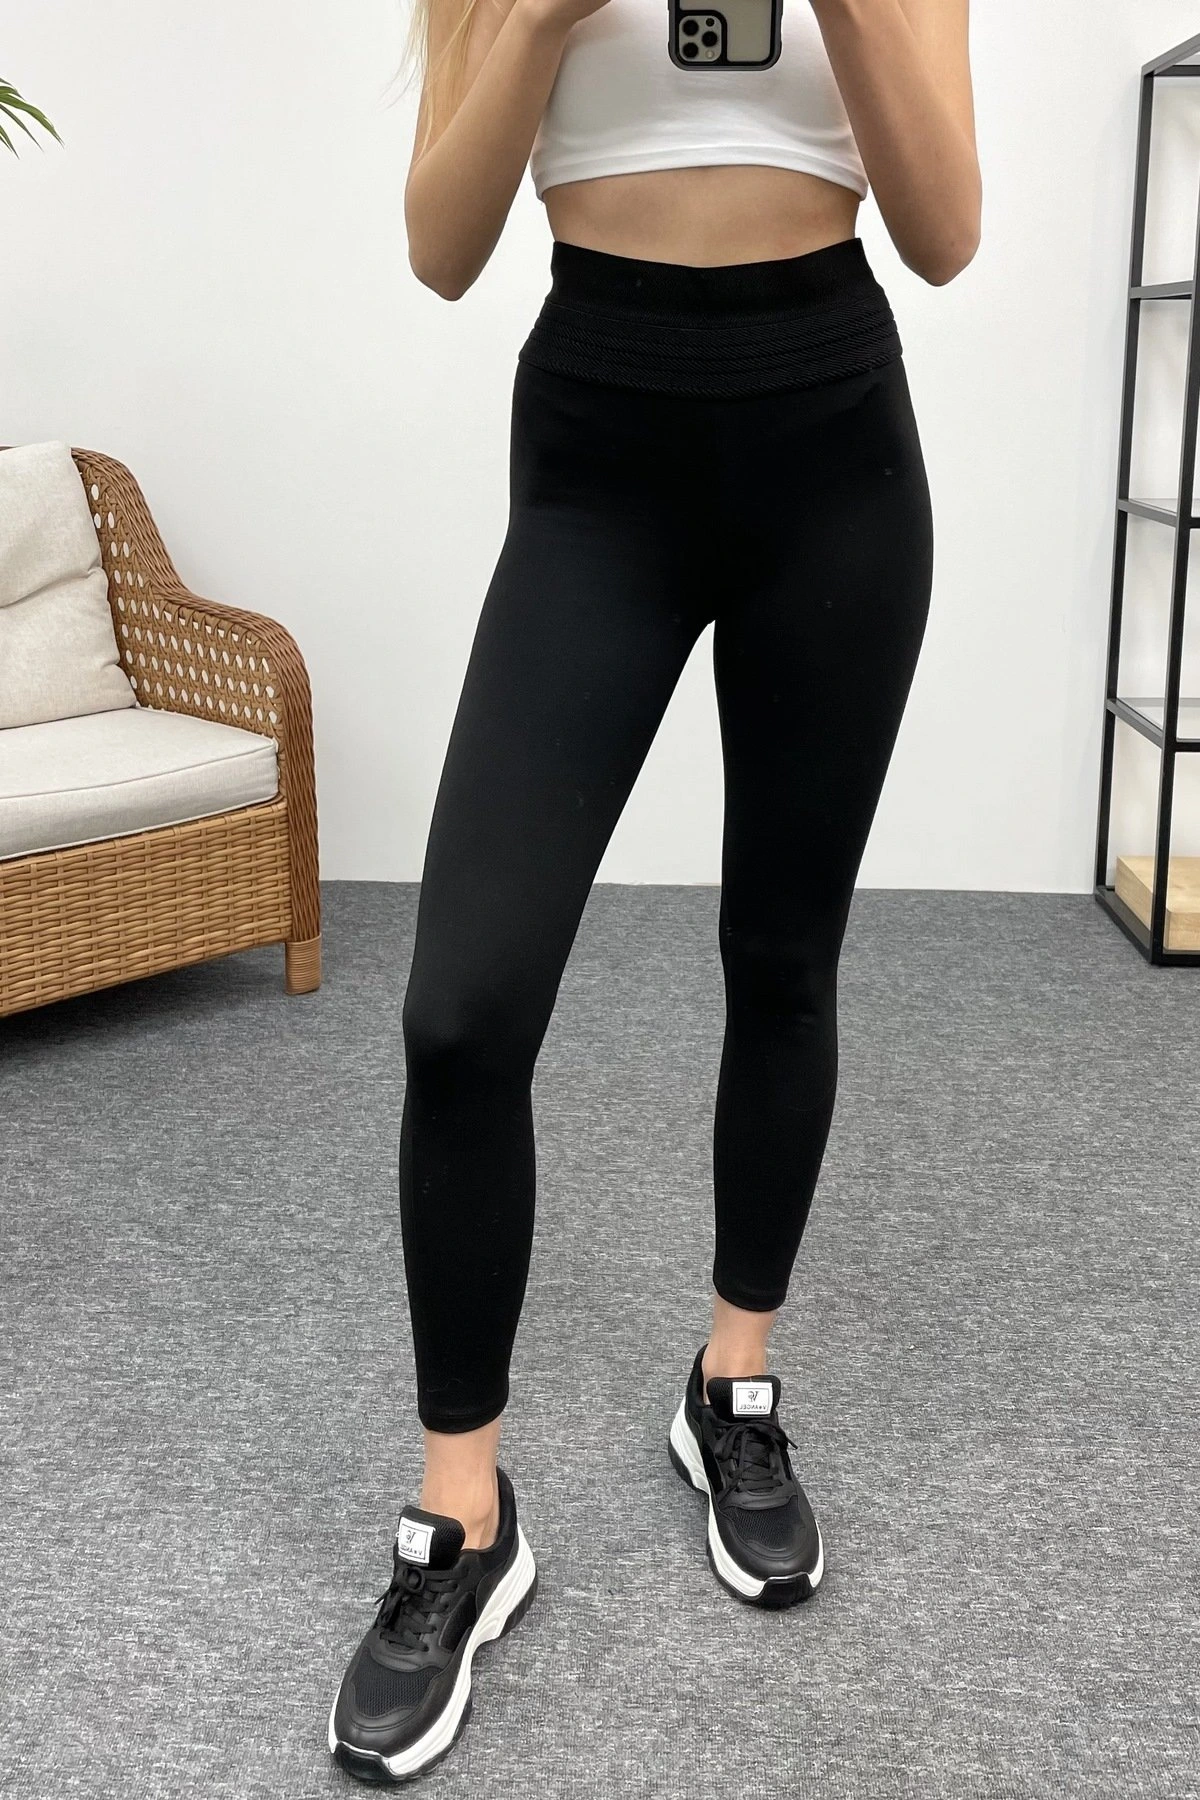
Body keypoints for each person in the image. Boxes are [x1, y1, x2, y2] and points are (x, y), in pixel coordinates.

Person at [328, 0, 980, 1781]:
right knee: (463, 1011)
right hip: (599, 453)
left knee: (782, 953)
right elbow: (441, 246)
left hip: (835, 446)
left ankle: (733, 1386)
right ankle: (463, 1515)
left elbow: (944, 230)